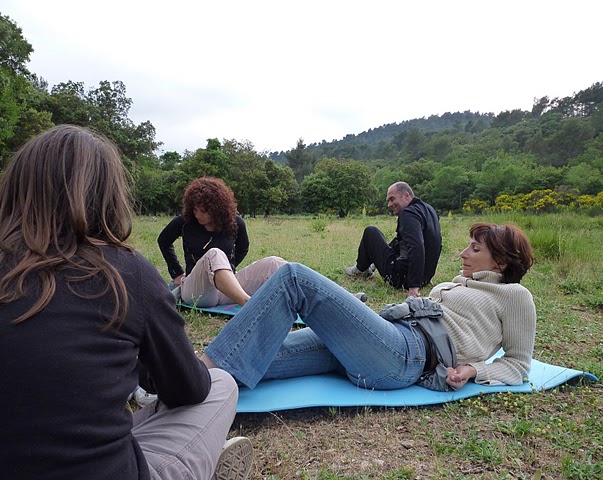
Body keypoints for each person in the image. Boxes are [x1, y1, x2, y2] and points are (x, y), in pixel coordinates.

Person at [0, 125, 252, 480]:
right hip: (196, 287)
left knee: (270, 266)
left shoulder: (233, 225)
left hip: (223, 283)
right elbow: (188, 389)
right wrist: (178, 273)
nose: (198, 215)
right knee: (220, 382)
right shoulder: (126, 273)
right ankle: (202, 459)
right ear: (108, 197)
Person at [201, 223, 535, 391]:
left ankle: (193, 373)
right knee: (256, 355)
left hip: (406, 354)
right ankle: (187, 378)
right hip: (385, 340)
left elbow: (519, 364)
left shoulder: (515, 295)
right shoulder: (462, 281)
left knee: (294, 277)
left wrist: (476, 370)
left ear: (503, 262)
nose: (463, 253)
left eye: (474, 249)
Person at [158, 177, 286, 307]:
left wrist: (225, 271)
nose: (197, 215)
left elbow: (243, 248)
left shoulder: (235, 223)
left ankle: (300, 302)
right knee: (214, 254)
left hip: (227, 291)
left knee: (273, 263)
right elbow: (163, 241)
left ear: (216, 209)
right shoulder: (184, 222)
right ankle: (249, 305)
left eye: (203, 211)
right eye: (195, 210)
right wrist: (177, 273)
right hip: (197, 291)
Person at [345, 181, 442, 298]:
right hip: (424, 278)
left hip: (401, 278)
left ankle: (360, 269)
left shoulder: (408, 213)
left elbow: (417, 247)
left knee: (371, 232)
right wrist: (427, 276)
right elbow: (436, 243)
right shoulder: (429, 210)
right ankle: (371, 265)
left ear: (406, 196)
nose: (389, 205)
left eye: (392, 199)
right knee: (398, 240)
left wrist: (413, 287)